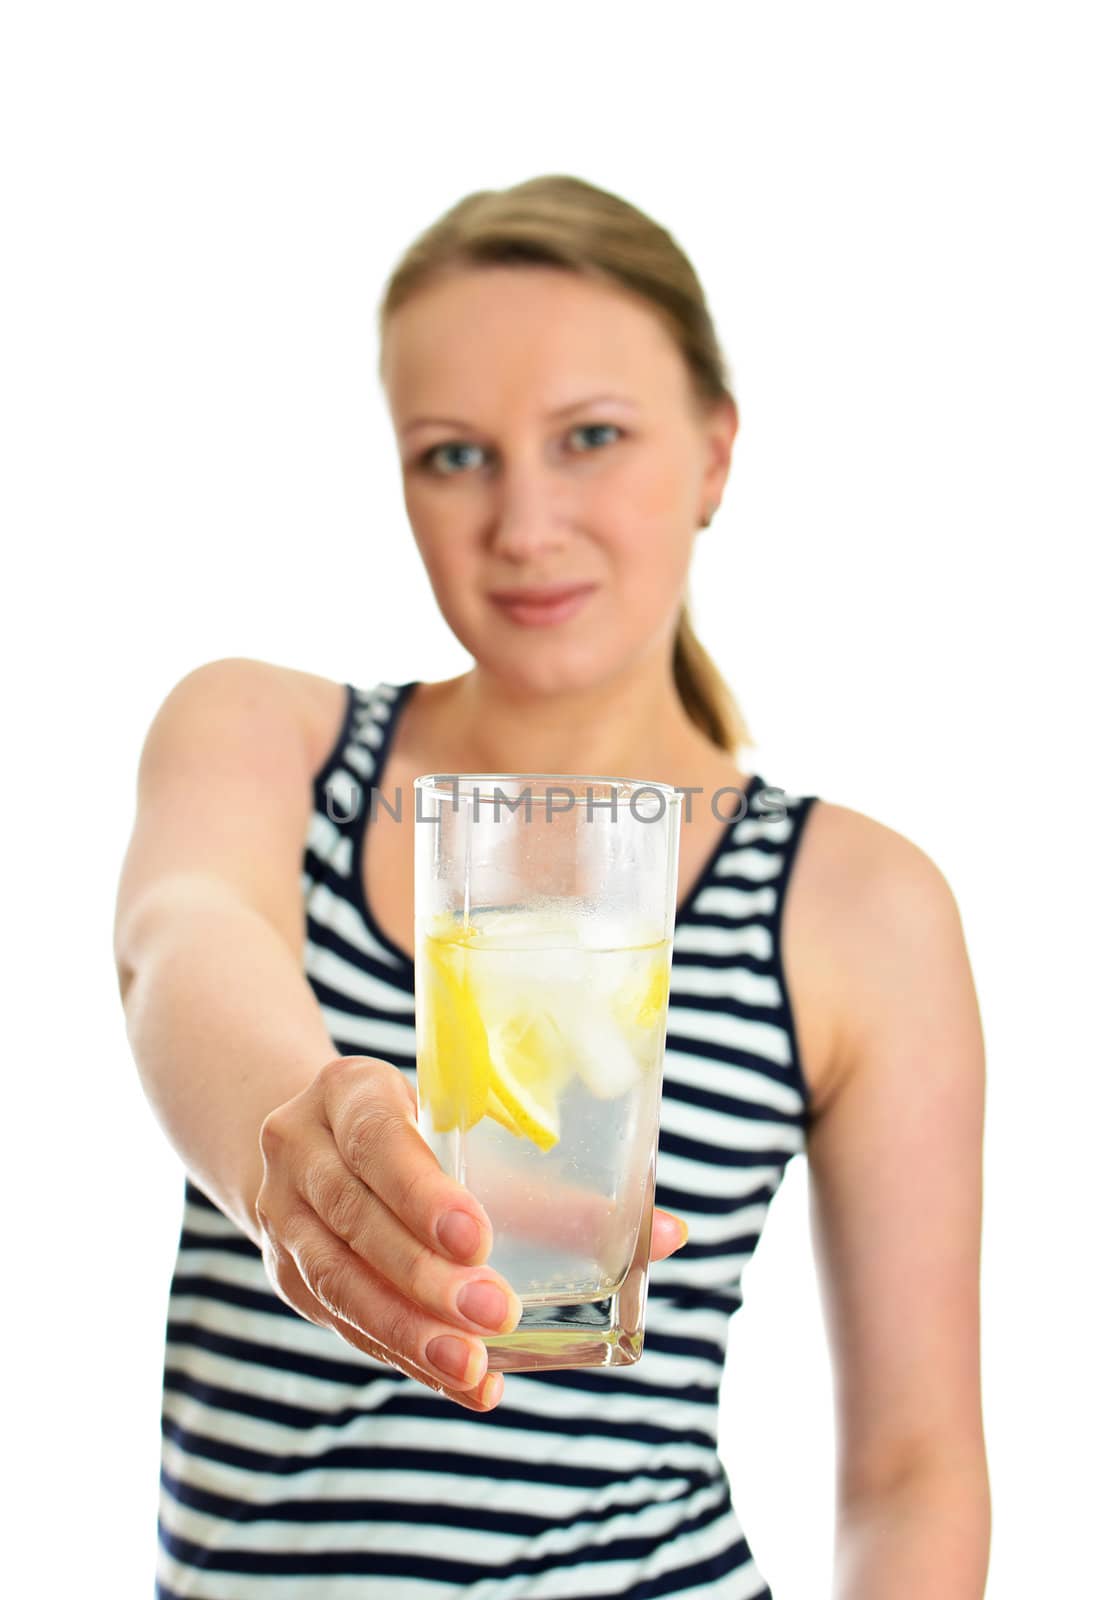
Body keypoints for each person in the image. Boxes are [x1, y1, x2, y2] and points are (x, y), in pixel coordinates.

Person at [114, 174, 990, 1599]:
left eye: (590, 437)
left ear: (714, 454)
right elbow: (182, 941)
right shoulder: (265, 737)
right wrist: (305, 1142)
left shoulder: (854, 901)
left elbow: (913, 1472)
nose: (522, 525)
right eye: (453, 455)